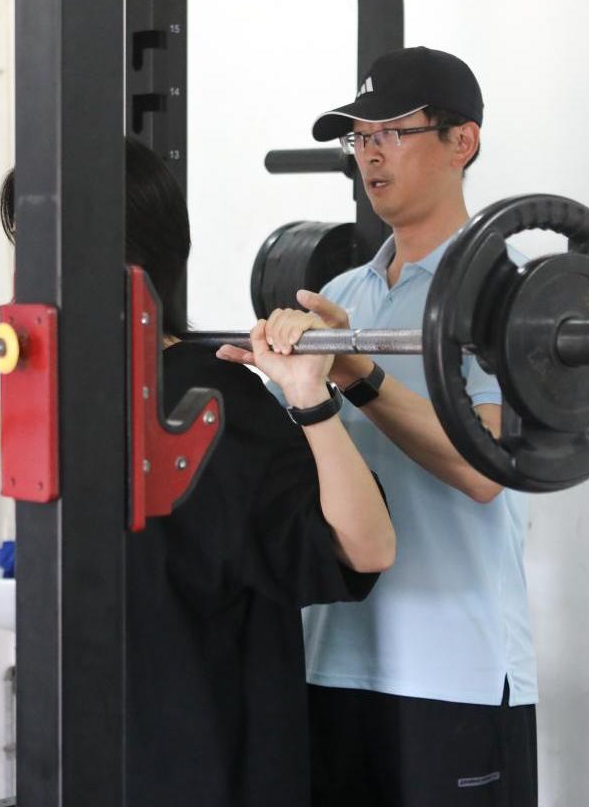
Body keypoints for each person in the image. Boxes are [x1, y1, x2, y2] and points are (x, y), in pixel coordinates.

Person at [0, 138, 395, 807]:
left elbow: (367, 548)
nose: (19, 276)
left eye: (33, 252)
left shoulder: (214, 404)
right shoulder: (70, 401)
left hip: (208, 772)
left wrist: (310, 398)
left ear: (101, 261)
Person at [219, 46, 539, 806]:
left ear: (462, 142)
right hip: (329, 655)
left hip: (451, 671)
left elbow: (485, 470)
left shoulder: (507, 288)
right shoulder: (340, 294)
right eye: (359, 137)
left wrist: (357, 373)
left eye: (392, 132)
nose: (369, 153)